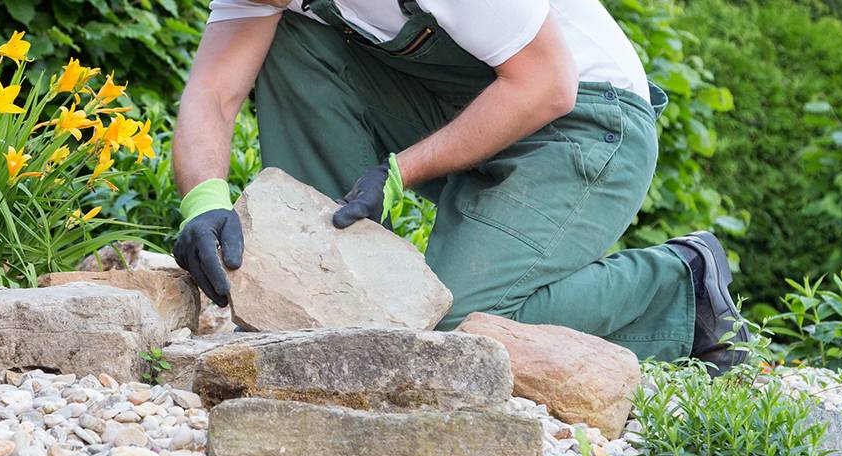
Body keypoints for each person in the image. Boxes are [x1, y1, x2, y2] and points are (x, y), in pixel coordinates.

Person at [170, 0, 749, 372]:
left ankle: (679, 286)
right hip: (470, 106)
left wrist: (399, 173)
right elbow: (211, 93)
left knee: (451, 322)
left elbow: (548, 85)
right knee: (293, 39)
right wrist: (204, 203)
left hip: (586, 121)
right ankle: (334, 290)